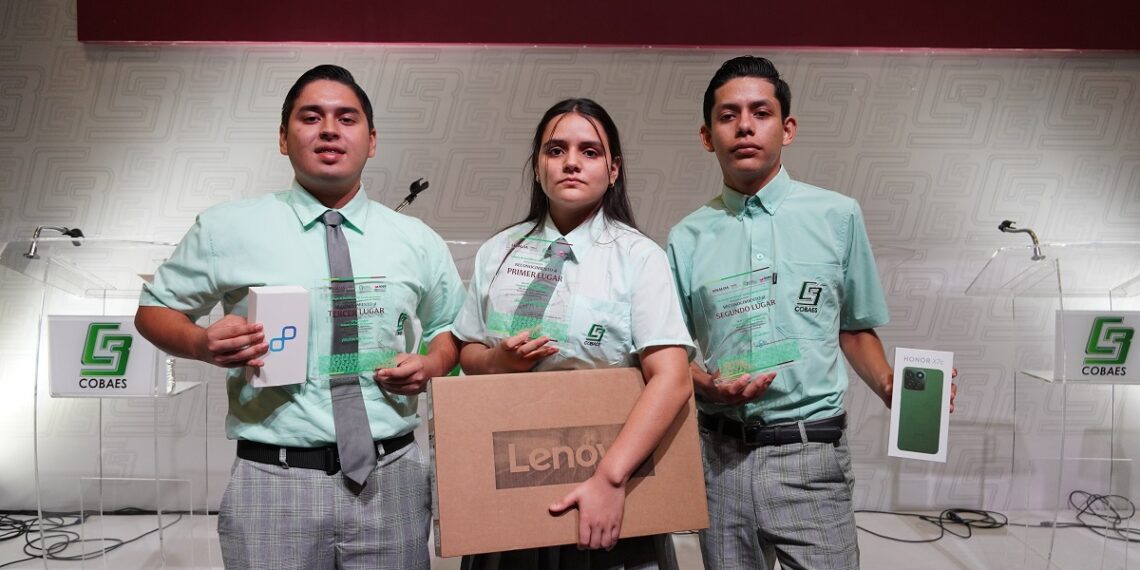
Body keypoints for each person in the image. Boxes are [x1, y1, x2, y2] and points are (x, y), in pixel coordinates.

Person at [135, 64, 463, 570]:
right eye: (311, 117)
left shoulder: (416, 239)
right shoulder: (228, 227)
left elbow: (450, 328)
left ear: (371, 141)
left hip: (392, 478)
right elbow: (154, 310)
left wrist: (434, 363)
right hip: (272, 482)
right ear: (284, 138)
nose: (329, 129)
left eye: (346, 118)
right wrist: (201, 343)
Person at [667, 55, 948, 570]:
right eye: (728, 116)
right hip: (719, 459)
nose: (745, 126)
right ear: (708, 136)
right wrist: (706, 386)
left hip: (811, 455)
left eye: (761, 112)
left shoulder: (838, 215)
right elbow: (667, 358)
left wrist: (890, 384)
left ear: (787, 128)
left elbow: (853, 326)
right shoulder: (685, 238)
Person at [452, 98, 694, 570]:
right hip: (509, 485)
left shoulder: (639, 258)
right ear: (538, 166)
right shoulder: (497, 253)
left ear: (613, 168)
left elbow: (673, 379)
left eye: (589, 151)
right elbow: (468, 352)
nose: (570, 162)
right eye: (555, 149)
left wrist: (609, 479)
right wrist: (498, 362)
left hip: (609, 489)